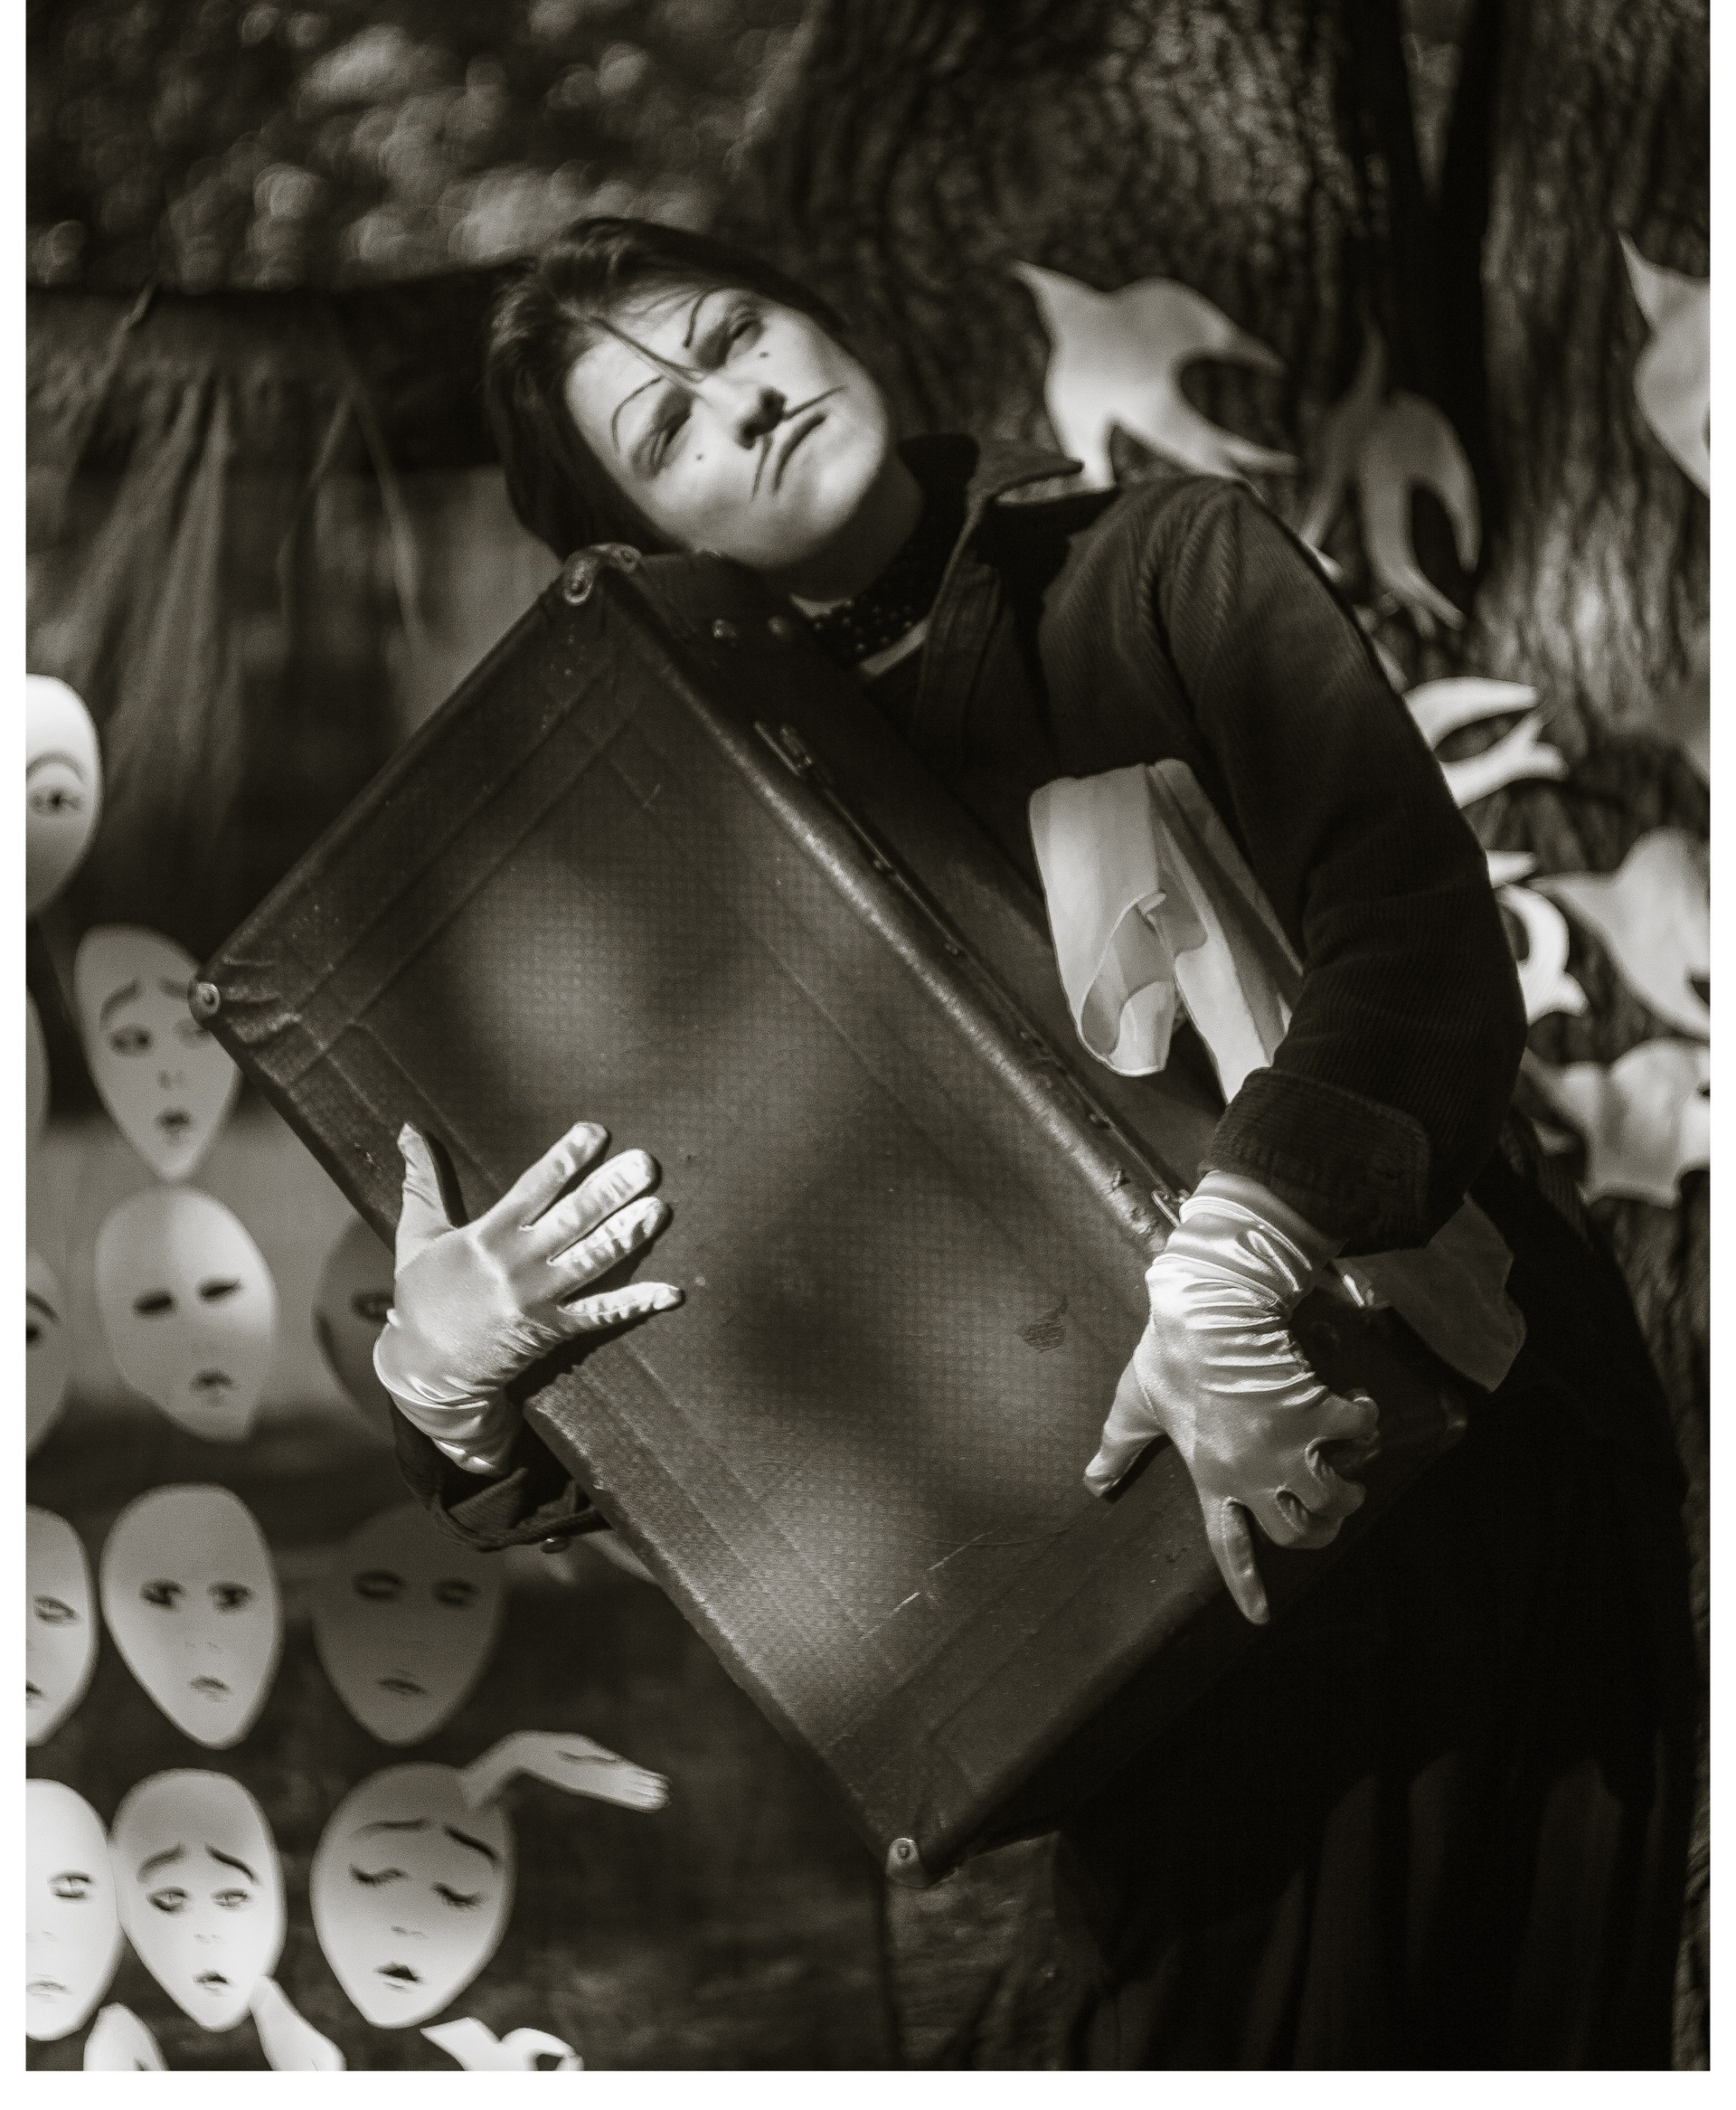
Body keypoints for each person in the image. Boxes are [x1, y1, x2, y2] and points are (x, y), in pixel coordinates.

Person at [373, 214, 1695, 2069]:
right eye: (664, 428)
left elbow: (1409, 930)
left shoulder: (1167, 565)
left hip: (1477, 1509)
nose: (740, 403)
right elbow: (731, 1332)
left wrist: (1250, 1236)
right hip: (1142, 1633)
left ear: (821, 307)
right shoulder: (678, 850)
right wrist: (468, 1408)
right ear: (633, 537)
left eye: (736, 332)